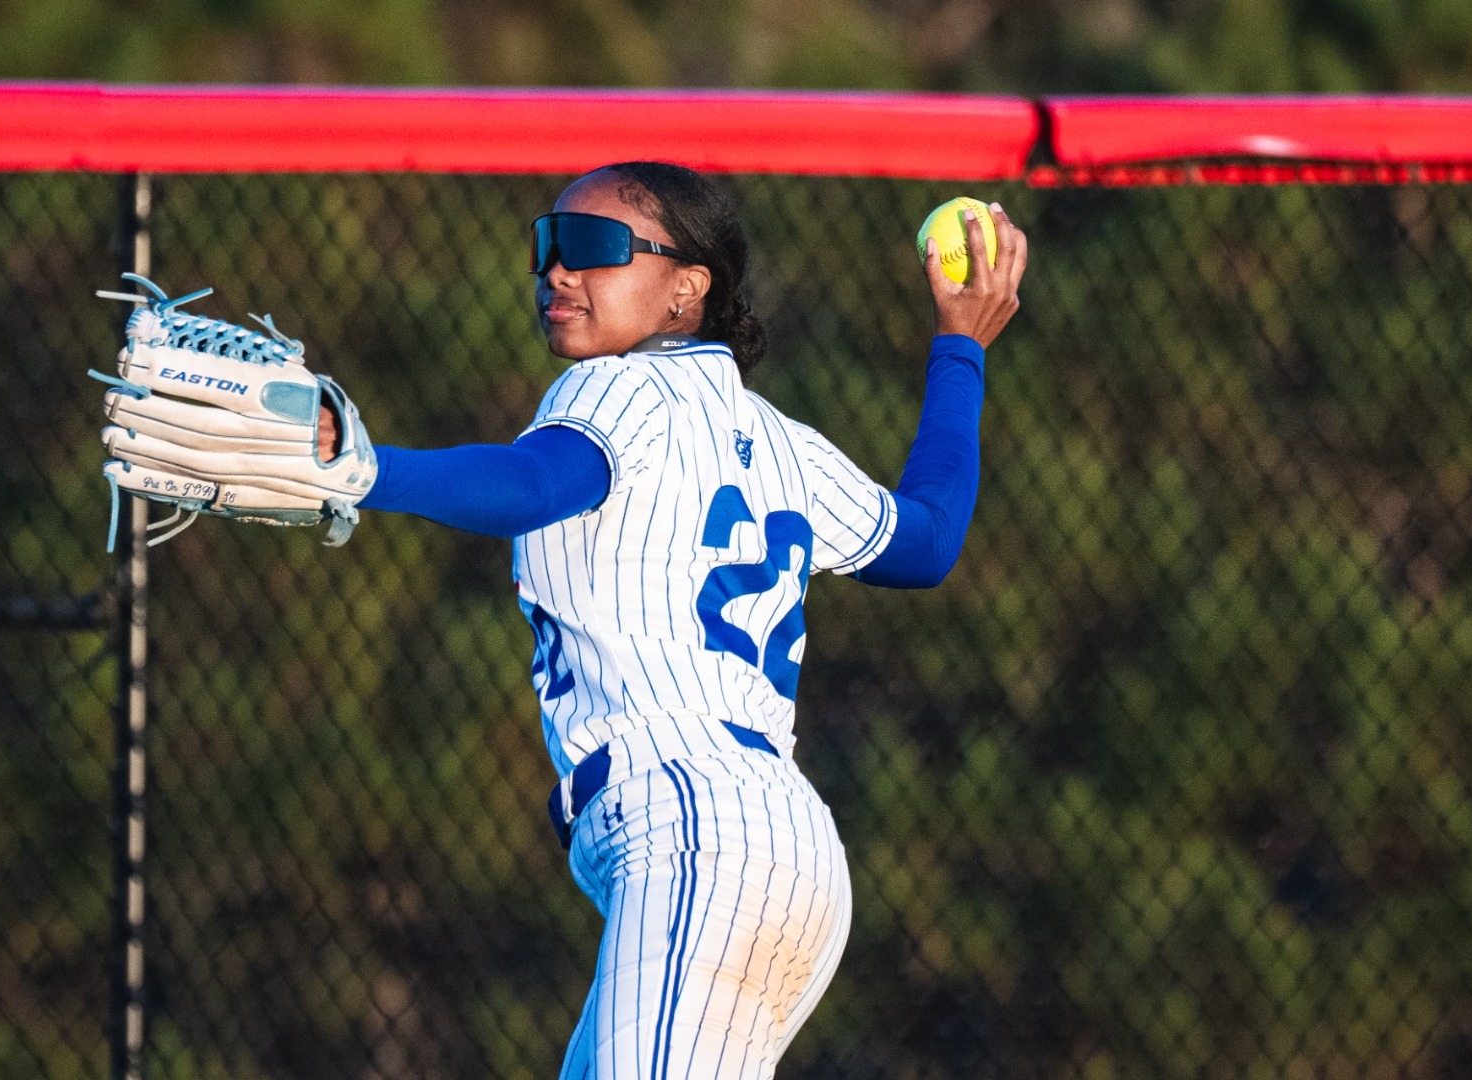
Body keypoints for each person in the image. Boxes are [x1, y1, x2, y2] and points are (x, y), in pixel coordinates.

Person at [335, 161, 1027, 1078]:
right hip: (787, 852)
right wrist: (961, 347)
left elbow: (528, 485)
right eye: (549, 244)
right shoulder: (785, 443)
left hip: (691, 829)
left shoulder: (615, 389)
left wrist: (361, 466)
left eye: (594, 248)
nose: (557, 272)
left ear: (686, 289)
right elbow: (927, 539)